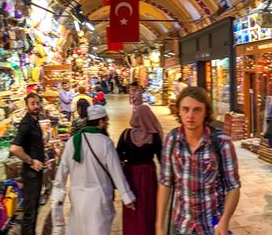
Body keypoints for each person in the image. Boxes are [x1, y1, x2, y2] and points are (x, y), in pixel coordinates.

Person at [156, 87, 241, 235]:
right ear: (179, 111)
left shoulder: (221, 142)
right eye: (185, 109)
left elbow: (233, 187)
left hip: (213, 226)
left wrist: (225, 220)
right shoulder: (172, 140)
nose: (190, 115)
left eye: (197, 110)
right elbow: (165, 183)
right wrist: (159, 226)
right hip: (183, 225)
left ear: (205, 112)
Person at [51, 105, 136, 234]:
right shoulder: (105, 143)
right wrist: (127, 196)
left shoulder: (72, 142)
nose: (106, 124)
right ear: (101, 122)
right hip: (99, 201)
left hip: (78, 201)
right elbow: (116, 172)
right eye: (106, 121)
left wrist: (58, 197)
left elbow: (61, 173)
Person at [117, 96, 164, 235]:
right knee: (148, 206)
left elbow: (118, 156)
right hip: (148, 176)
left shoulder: (125, 134)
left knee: (132, 207)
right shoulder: (153, 137)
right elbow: (162, 158)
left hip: (130, 175)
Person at [8, 93, 48, 235]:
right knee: (29, 213)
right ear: (27, 105)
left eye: (37, 103)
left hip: (35, 174)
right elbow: (14, 148)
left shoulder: (34, 120)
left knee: (34, 209)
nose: (36, 106)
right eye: (32, 103)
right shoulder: (26, 124)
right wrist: (31, 161)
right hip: (31, 175)